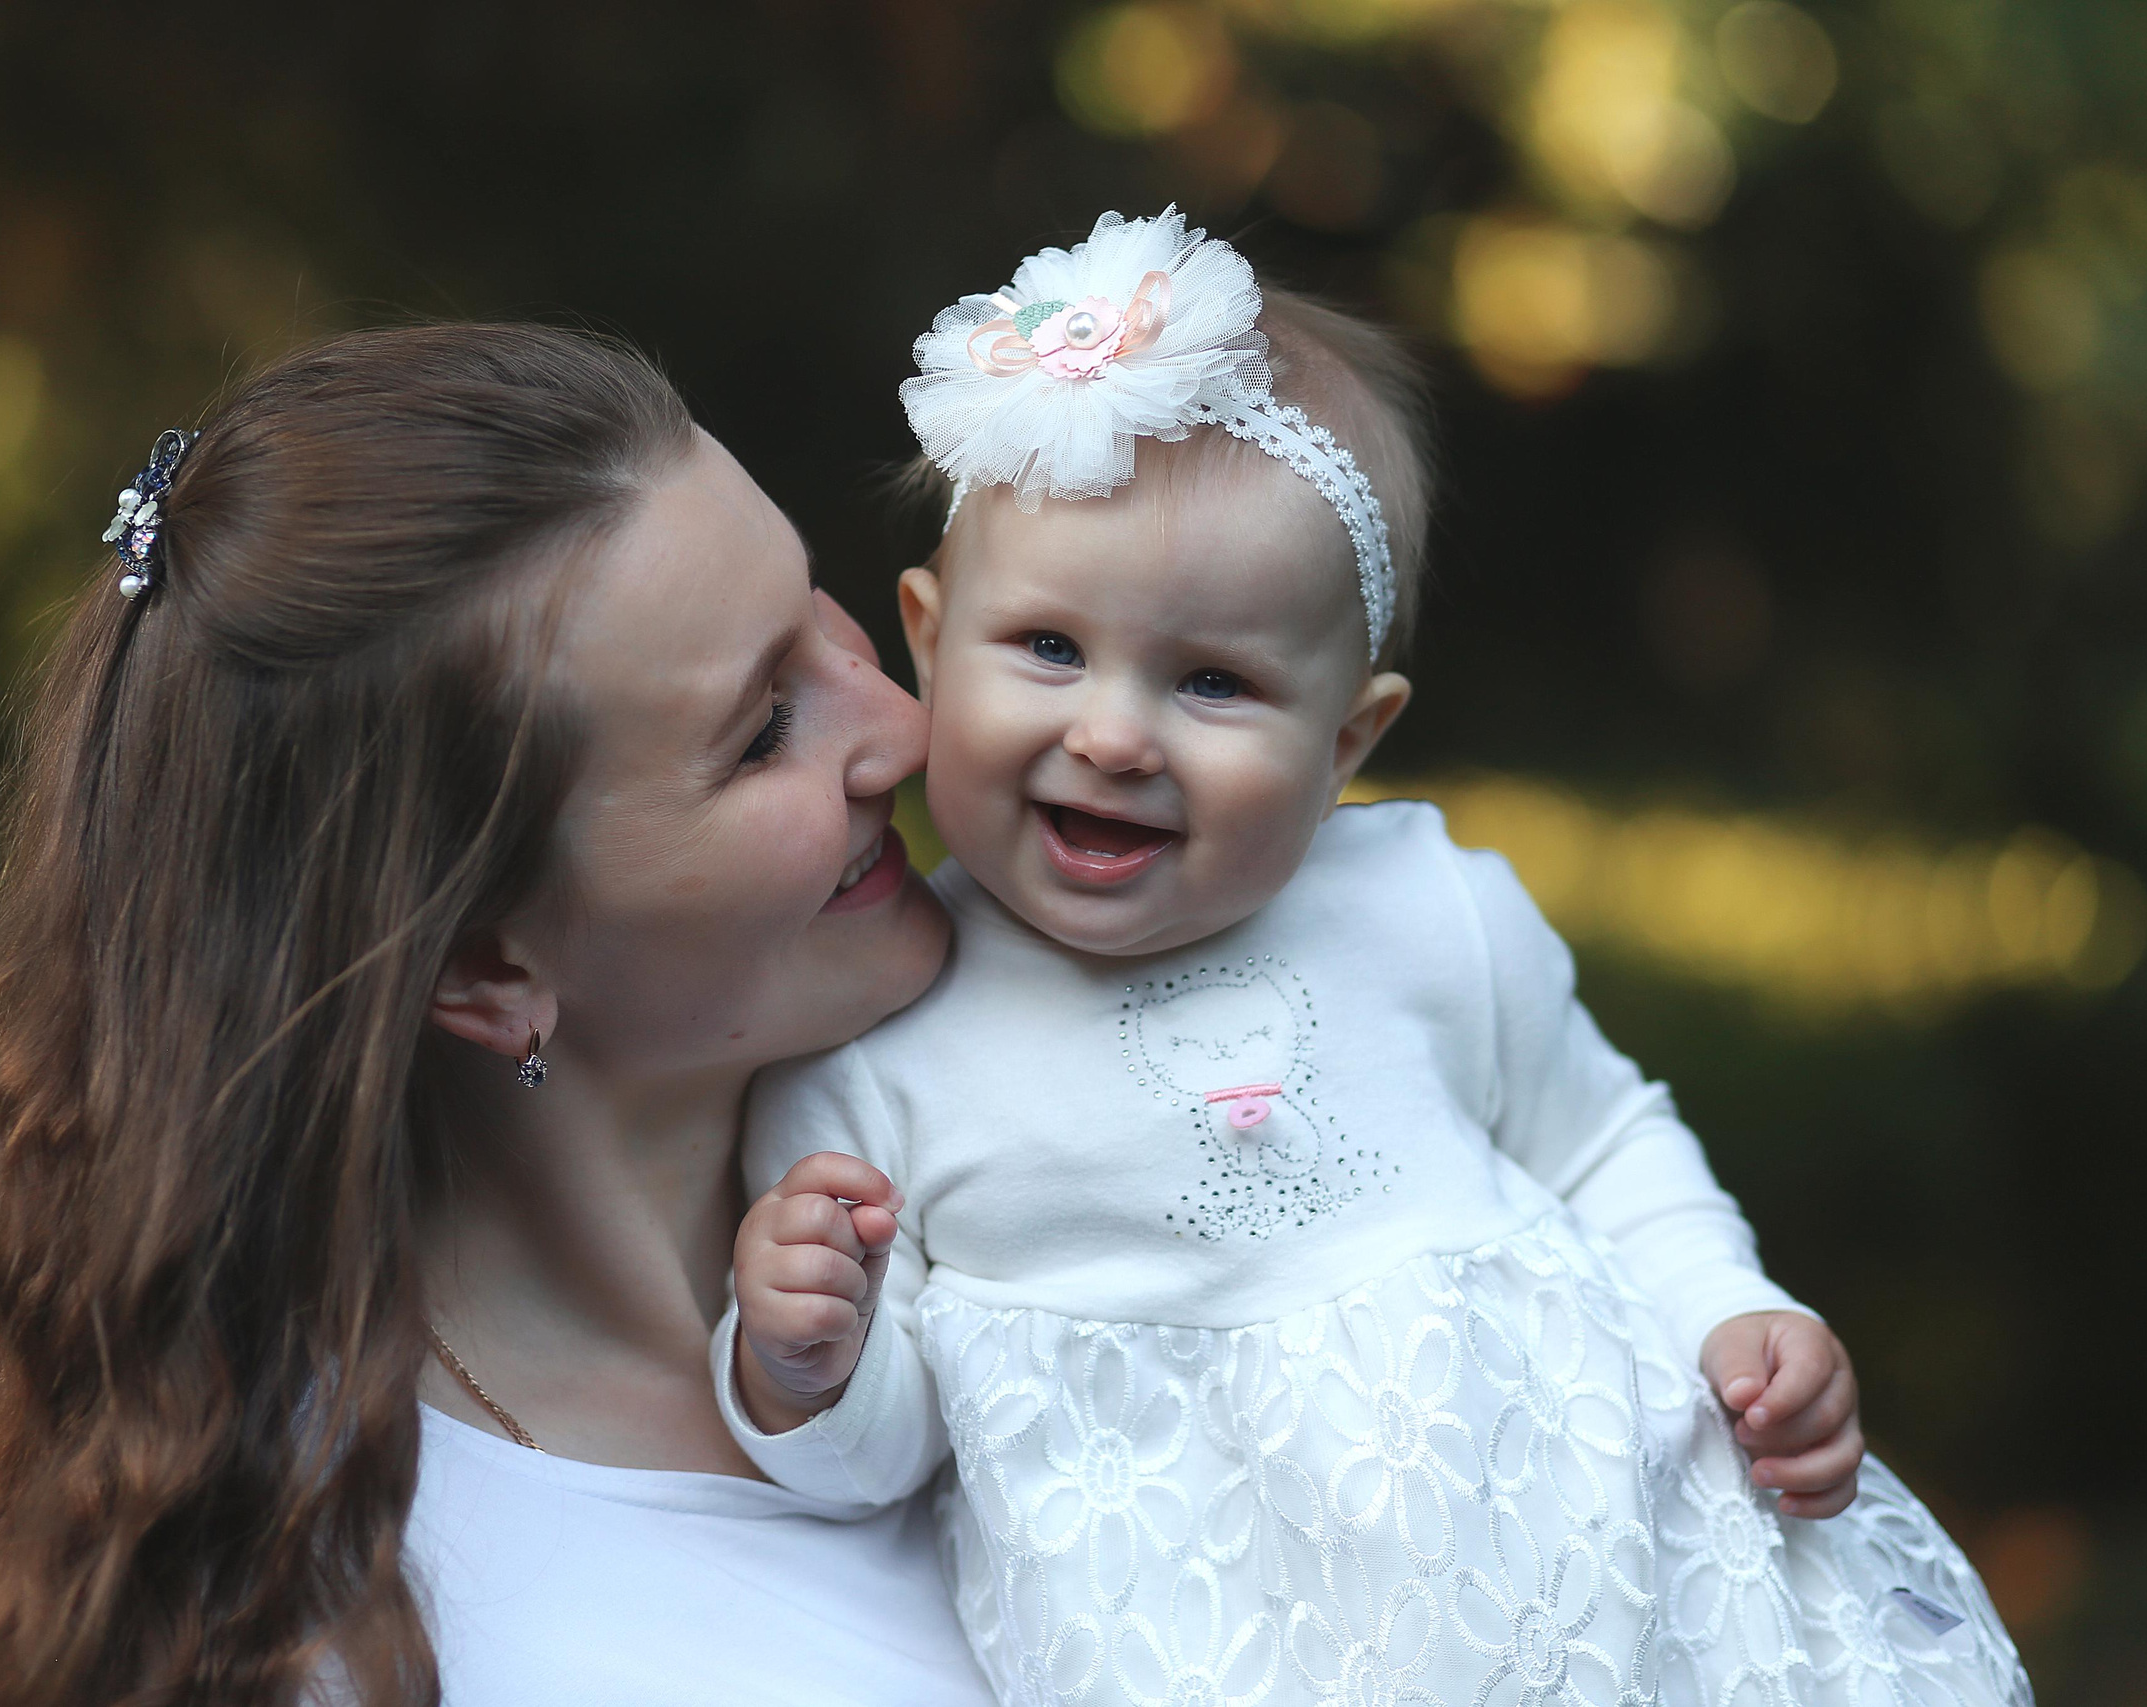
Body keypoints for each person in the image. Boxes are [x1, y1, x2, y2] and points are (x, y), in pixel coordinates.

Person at [719, 211, 2029, 1707]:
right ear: (929, 642)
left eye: (1213, 681)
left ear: (1350, 741)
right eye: (1050, 650)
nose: (1115, 734)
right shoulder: (876, 1037)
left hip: (1609, 1598)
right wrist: (807, 1364)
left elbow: (1598, 1136)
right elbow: (885, 1467)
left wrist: (1729, 1310)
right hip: (1217, 1647)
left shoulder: (1424, 908)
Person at [0, 324, 995, 1705]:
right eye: (762, 729)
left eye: (817, 611)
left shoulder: (1059, 1137)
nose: (901, 724)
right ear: (483, 969)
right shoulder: (345, 1634)